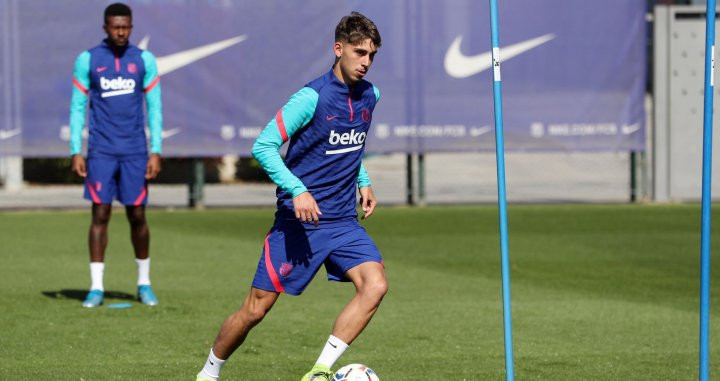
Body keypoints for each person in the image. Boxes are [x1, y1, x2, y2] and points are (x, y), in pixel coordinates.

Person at [196, 11, 386, 381]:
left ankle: (319, 371)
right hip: (298, 224)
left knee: (375, 285)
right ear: (338, 48)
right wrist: (297, 190)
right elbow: (264, 146)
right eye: (359, 52)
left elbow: (351, 145)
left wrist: (363, 179)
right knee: (255, 309)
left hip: (343, 222)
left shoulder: (370, 95)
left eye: (371, 56)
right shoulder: (310, 98)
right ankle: (208, 372)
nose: (365, 62)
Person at [69, 3, 163, 308]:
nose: (121, 32)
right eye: (115, 27)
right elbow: (77, 108)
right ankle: (96, 287)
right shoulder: (89, 60)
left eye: (126, 27)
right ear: (105, 28)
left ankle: (144, 283)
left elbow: (155, 108)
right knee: (100, 214)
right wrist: (75, 150)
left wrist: (156, 150)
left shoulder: (144, 60)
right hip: (101, 152)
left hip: (135, 151)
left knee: (138, 215)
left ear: (131, 27)